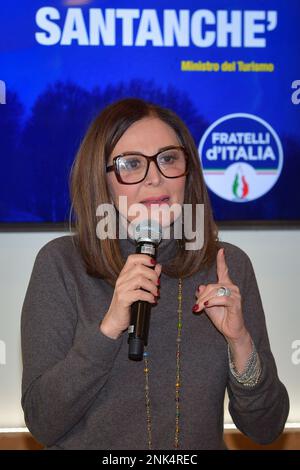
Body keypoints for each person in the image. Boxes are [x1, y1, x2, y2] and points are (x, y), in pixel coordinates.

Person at [21, 98, 289, 450]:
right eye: (131, 164)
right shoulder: (62, 263)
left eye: (168, 159)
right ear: (100, 180)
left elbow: (266, 428)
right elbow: (43, 422)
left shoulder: (227, 265)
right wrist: (109, 327)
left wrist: (240, 344)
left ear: (187, 170)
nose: (155, 178)